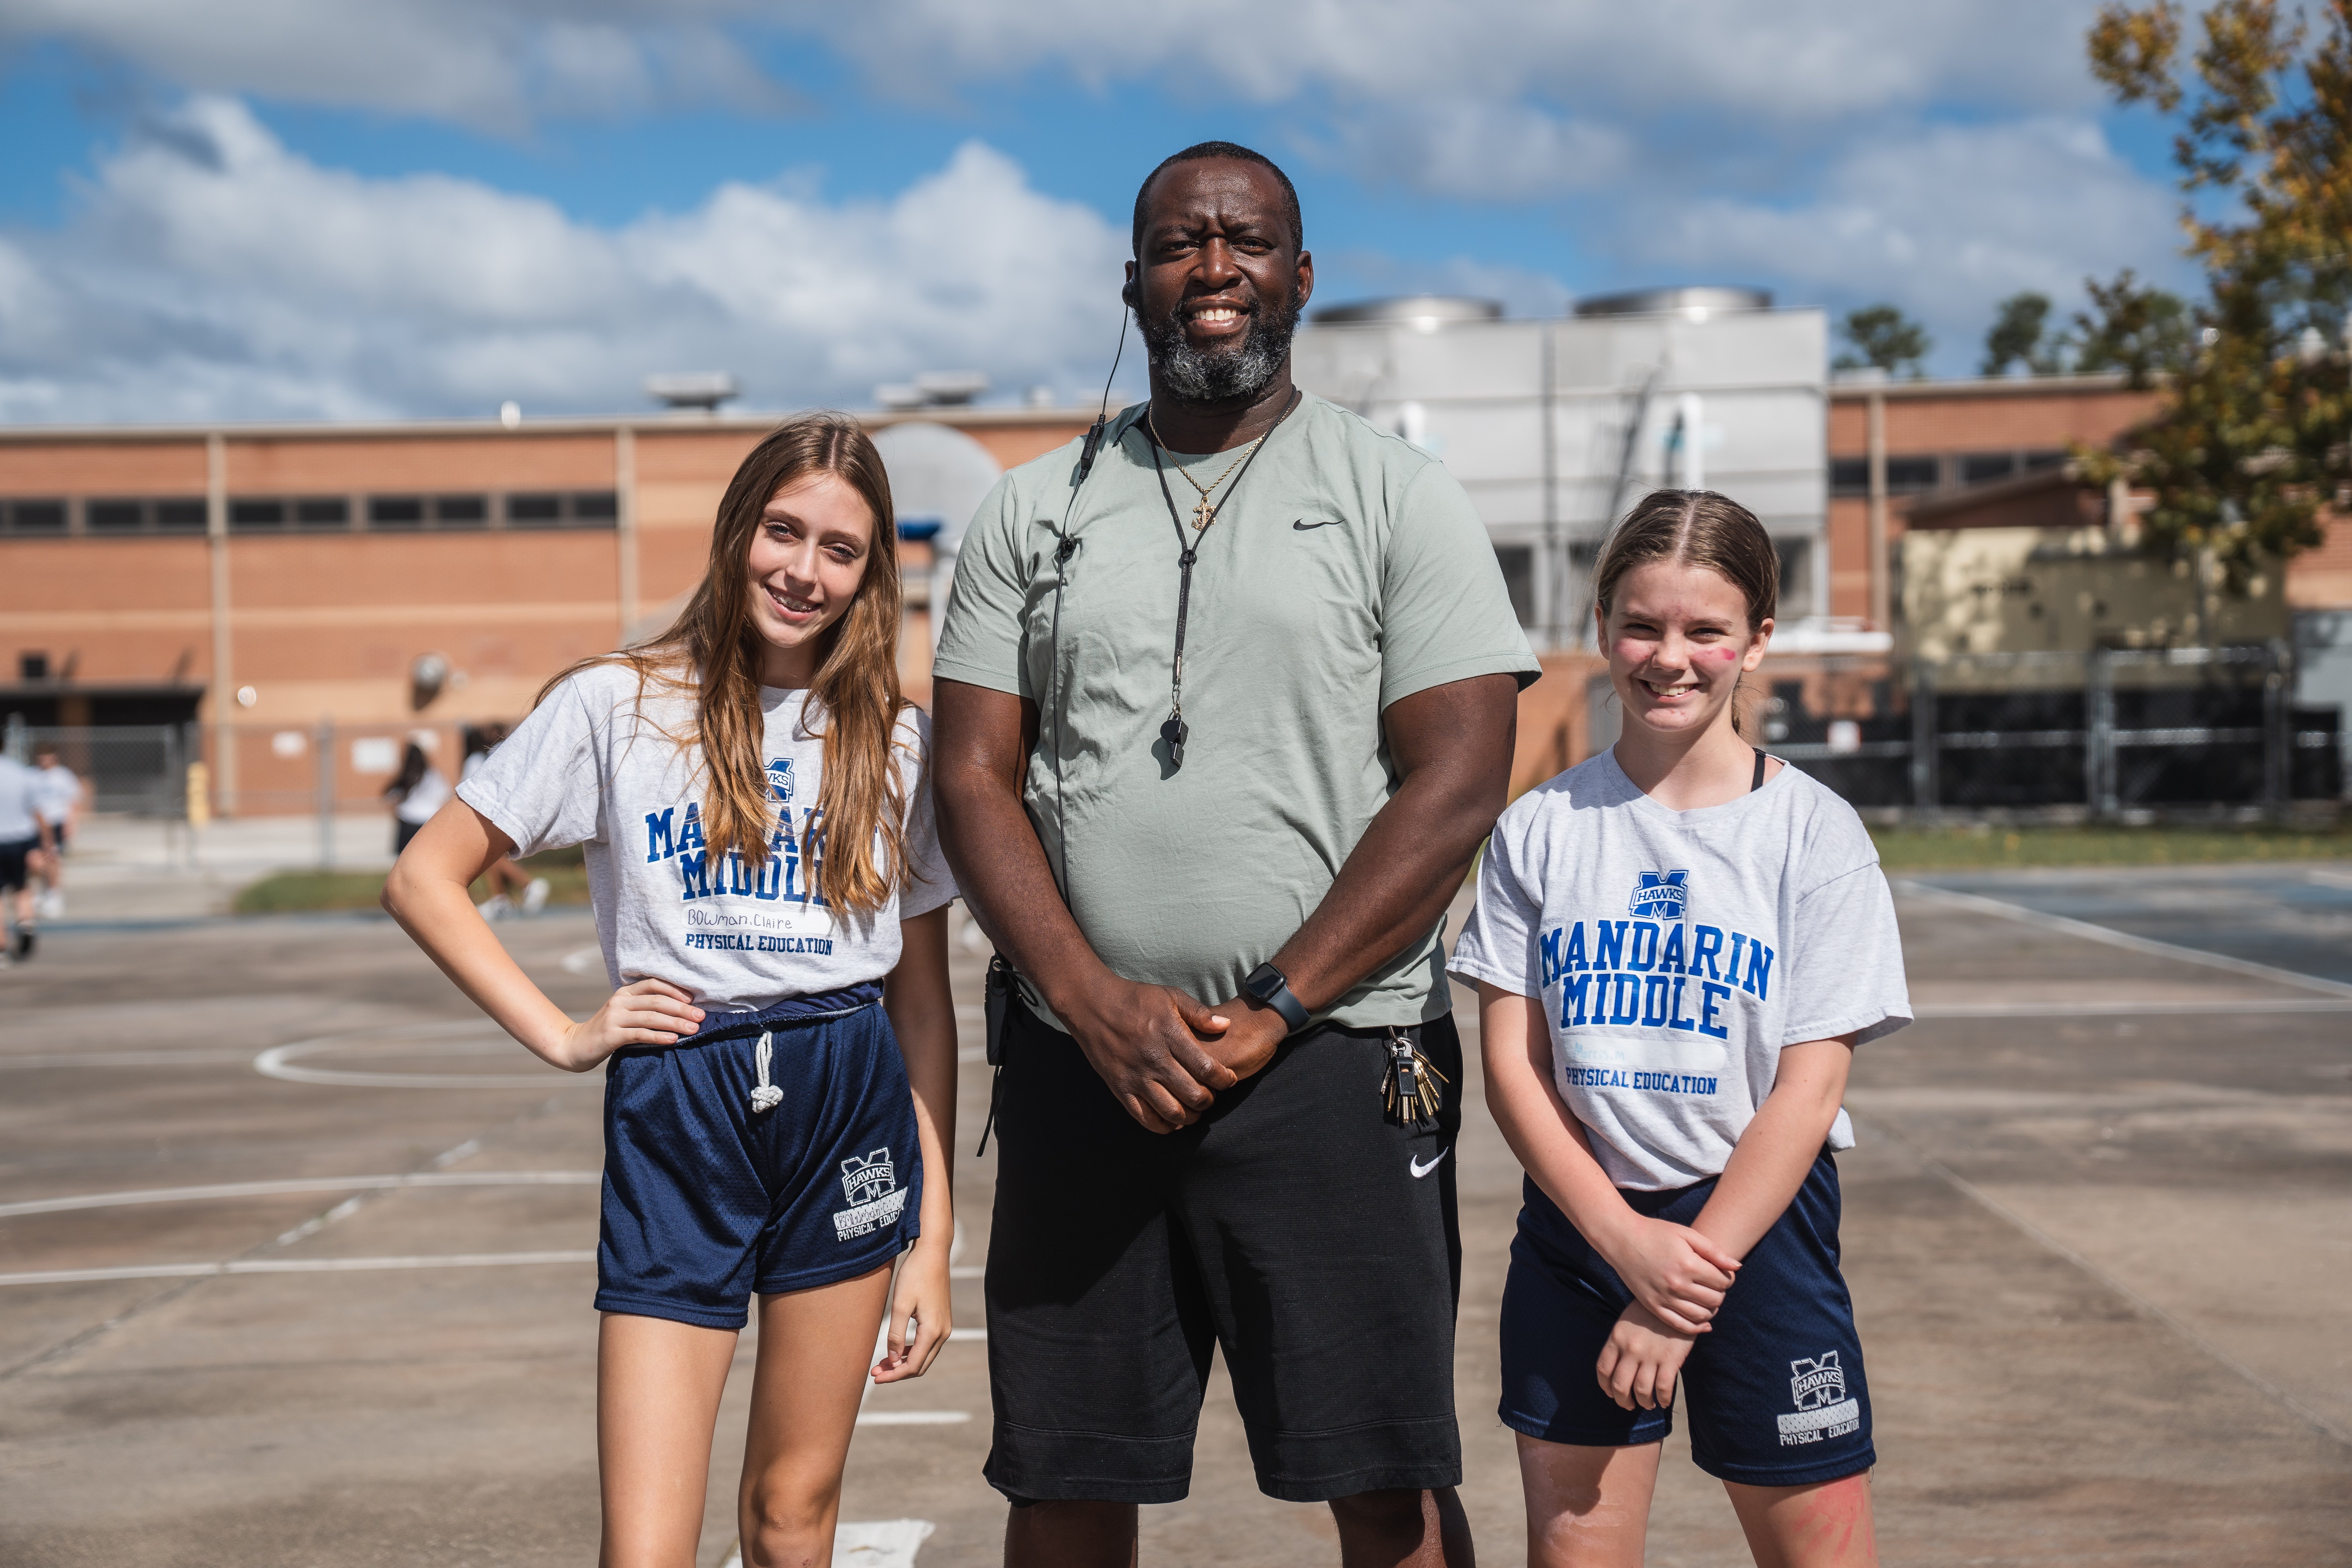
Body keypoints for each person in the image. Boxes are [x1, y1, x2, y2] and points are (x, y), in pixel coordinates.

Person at [932, 140, 1538, 1568]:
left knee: (1383, 1474)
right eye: (1180, 243)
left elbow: (1456, 783)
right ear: (1132, 282)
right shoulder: (1034, 507)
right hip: (1086, 1068)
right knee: (1067, 1477)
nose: (1215, 269)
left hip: (1338, 1062)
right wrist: (1091, 1000)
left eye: (1248, 241)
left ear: (1302, 277)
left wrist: (1274, 1007)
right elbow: (972, 776)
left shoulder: (1398, 495)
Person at [381, 414, 961, 1568]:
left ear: (871, 573)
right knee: (645, 1548)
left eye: (838, 549)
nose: (802, 570)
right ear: (736, 528)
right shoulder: (617, 705)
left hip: (846, 1095)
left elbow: (924, 1005)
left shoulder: (898, 745)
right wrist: (562, 1032)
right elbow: (423, 876)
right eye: (782, 531)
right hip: (680, 1103)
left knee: (792, 1514)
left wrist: (935, 1237)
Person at [1447, 489, 1912, 1568]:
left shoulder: (1812, 834)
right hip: (1583, 1230)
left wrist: (1677, 1293)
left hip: (1756, 1233)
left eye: (1705, 630)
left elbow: (1808, 1090)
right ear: (1600, 626)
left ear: (1755, 642)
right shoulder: (1539, 830)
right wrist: (1621, 1244)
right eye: (1641, 625)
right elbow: (1514, 1071)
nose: (1670, 657)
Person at [460, 723, 550, 918]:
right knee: (491, 855)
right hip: (513, 810)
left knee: (486, 854)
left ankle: (527, 885)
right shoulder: (512, 752)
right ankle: (501, 899)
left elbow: (467, 788)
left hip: (490, 812)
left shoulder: (479, 758)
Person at [0, 749, 54, 963]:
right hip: (21, 839)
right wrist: (47, 842)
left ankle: (2, 949)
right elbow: (37, 812)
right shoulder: (22, 773)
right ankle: (26, 925)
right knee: (21, 887)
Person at [30, 740, 80, 921]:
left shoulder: (63, 776)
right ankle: (42, 891)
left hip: (56, 823)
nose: (43, 761)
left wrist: (70, 824)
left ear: (54, 757)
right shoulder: (31, 775)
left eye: (47, 757)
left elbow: (73, 802)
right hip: (34, 825)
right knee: (34, 861)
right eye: (40, 757)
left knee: (53, 859)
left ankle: (55, 896)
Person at [383, 739, 451, 858]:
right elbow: (444, 796)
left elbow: (391, 798)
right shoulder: (433, 775)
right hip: (428, 820)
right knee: (427, 857)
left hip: (407, 820)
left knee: (405, 858)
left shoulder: (405, 775)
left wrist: (397, 812)